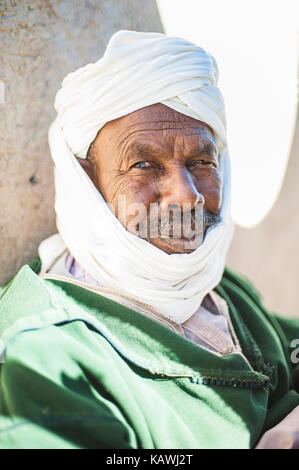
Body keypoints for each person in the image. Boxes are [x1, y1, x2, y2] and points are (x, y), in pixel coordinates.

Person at [0, 30, 298, 449]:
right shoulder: (45, 352)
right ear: (86, 181)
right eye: (143, 164)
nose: (187, 195)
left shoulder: (216, 286)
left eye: (201, 161)